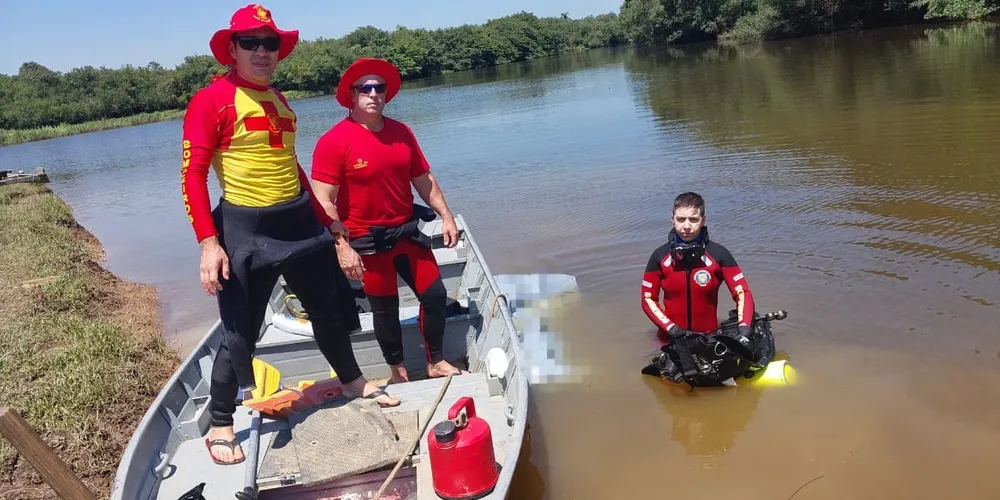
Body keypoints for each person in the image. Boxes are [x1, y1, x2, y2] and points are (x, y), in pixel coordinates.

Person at [182, 5, 399, 466]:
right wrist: (209, 243)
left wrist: (328, 220)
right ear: (233, 49)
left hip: (298, 221)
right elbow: (192, 175)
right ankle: (221, 423)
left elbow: (291, 166)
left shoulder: (278, 98)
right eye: (251, 43)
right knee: (241, 330)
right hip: (246, 227)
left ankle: (353, 381)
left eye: (270, 43)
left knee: (327, 309)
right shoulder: (211, 100)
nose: (262, 51)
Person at [310, 57, 467, 384]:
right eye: (364, 88)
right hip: (366, 241)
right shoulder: (334, 141)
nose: (373, 94)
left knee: (435, 295)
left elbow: (423, 179)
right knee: (385, 310)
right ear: (351, 95)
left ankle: (436, 362)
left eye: (379, 88)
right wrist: (342, 246)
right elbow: (323, 200)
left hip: (406, 231)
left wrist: (446, 216)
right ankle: (398, 372)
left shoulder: (402, 132)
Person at [639, 192, 770, 386]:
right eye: (681, 219)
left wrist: (744, 332)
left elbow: (743, 293)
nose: (686, 226)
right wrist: (672, 329)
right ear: (672, 219)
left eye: (693, 219)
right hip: (669, 341)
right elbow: (648, 299)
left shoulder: (719, 254)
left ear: (703, 220)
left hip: (708, 340)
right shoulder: (659, 257)